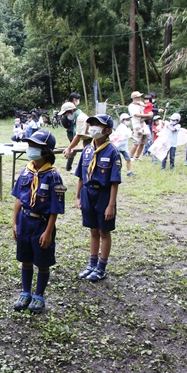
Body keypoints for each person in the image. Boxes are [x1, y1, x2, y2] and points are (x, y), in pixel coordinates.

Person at [11, 130, 65, 314]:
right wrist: (15, 223)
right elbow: (18, 198)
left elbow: (55, 208)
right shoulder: (26, 172)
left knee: (42, 262)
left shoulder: (54, 176)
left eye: (35, 146)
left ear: (46, 151)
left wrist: (48, 231)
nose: (30, 149)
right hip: (24, 221)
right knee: (25, 259)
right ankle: (25, 292)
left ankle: (39, 295)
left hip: (41, 224)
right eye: (30, 145)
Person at [75, 114, 121, 282]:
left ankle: (101, 267)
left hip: (103, 195)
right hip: (88, 193)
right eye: (92, 124)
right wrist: (78, 195)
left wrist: (111, 205)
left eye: (98, 125)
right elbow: (81, 175)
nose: (93, 127)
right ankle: (92, 264)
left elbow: (115, 182)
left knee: (104, 231)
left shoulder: (113, 151)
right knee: (93, 230)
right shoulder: (87, 150)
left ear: (108, 130)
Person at [63, 93, 91, 170]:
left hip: (92, 142)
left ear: (72, 111)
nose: (66, 116)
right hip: (87, 141)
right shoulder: (77, 117)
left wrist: (69, 148)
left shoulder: (81, 118)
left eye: (67, 114)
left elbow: (78, 136)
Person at [128, 91, 152, 160]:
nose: (140, 98)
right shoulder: (131, 106)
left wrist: (149, 113)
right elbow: (137, 115)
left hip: (143, 124)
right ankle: (130, 156)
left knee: (143, 142)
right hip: (137, 125)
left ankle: (137, 156)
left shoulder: (141, 104)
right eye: (138, 97)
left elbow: (146, 109)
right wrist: (148, 115)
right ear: (135, 98)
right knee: (136, 142)